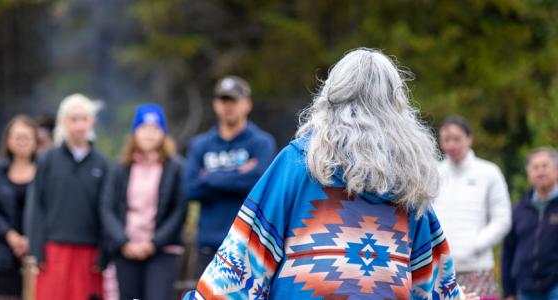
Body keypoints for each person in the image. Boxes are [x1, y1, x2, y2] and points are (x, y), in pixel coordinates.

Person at [184, 48, 461, 299]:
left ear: (331, 97)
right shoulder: (409, 180)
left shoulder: (300, 163)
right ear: (396, 105)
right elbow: (435, 284)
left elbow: (239, 270)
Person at [184, 75, 276, 274]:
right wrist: (238, 175)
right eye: (223, 100)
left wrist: (208, 177)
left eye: (234, 100)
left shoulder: (261, 143)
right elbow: (190, 189)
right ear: (215, 104)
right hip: (209, 245)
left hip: (248, 243)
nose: (228, 106)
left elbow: (259, 185)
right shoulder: (200, 144)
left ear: (247, 104)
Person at [25, 94, 109, 300]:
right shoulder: (47, 159)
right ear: (63, 122)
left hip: (89, 253)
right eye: (73, 119)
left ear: (92, 122)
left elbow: (107, 210)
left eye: (84, 119)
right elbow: (37, 205)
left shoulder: (103, 163)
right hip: (53, 250)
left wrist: (104, 253)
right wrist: (36, 249)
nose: (79, 125)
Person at [100, 104, 188, 300]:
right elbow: (107, 208)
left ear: (163, 133)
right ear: (134, 132)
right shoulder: (120, 168)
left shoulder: (176, 168)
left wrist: (153, 243)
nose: (149, 134)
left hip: (163, 250)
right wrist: (124, 241)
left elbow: (179, 210)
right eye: (144, 128)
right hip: (126, 249)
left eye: (155, 129)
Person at [433, 115, 511, 298]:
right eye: (446, 140)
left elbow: (502, 219)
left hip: (477, 268)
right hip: (440, 269)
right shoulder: (433, 173)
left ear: (470, 138)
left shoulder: (489, 172)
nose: (451, 145)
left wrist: (475, 245)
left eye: (457, 139)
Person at [0, 115, 38, 299]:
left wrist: (32, 239)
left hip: (38, 254)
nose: (22, 142)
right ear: (8, 141)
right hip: (2, 254)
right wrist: (11, 236)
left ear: (35, 141)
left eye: (27, 137)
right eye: (17, 137)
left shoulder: (45, 170)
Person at [502, 147, 558, 300]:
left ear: (556, 170)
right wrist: (508, 292)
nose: (540, 171)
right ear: (529, 174)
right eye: (535, 167)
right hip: (525, 288)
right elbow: (508, 251)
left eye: (545, 166)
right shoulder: (518, 209)